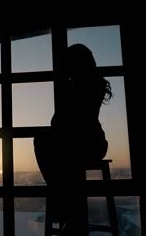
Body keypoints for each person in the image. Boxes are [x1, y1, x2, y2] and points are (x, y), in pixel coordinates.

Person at [34, 44, 112, 235]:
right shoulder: (94, 84)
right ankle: (71, 216)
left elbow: (60, 120)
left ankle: (67, 212)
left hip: (84, 144)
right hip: (93, 143)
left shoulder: (78, 86)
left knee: (45, 143)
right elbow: (63, 122)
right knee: (61, 152)